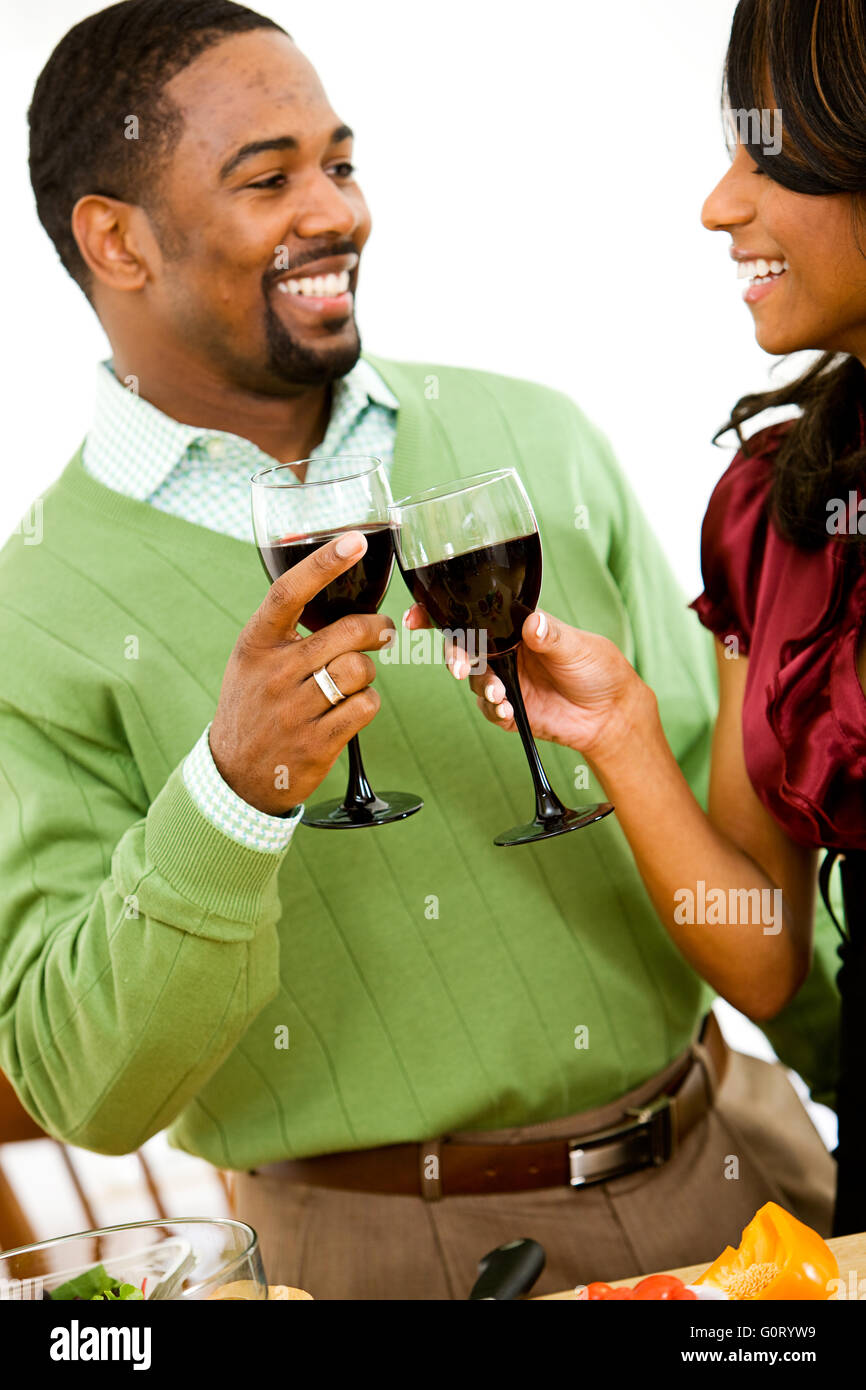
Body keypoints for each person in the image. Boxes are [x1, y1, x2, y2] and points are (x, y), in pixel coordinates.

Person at [0, 0, 839, 1298]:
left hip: (733, 1171)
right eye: (267, 178)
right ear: (113, 236)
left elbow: (741, 863)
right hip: (382, 1256)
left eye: (338, 162)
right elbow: (81, 1085)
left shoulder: (535, 435)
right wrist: (228, 796)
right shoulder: (35, 608)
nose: (334, 210)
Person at [414, 0, 866, 1242]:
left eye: (766, 157)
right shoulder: (775, 510)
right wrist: (616, 732)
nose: (719, 206)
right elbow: (763, 954)